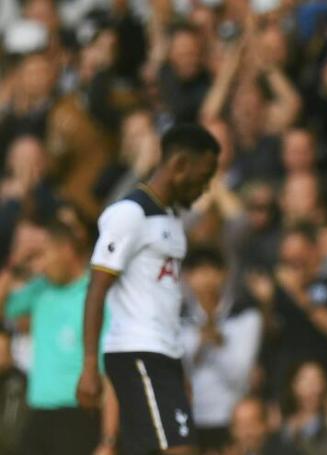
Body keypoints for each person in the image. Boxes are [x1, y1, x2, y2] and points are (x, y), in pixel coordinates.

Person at [76, 124, 220, 455]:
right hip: (138, 351)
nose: (206, 187)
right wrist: (89, 366)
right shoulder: (129, 214)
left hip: (163, 354)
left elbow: (163, 299)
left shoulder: (171, 220)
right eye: (204, 176)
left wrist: (179, 366)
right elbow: (96, 289)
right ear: (179, 164)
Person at [0, 221, 117, 455]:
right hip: (37, 414)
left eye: (43, 255)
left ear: (66, 250)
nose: (40, 266)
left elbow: (110, 373)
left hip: (78, 416)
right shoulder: (40, 290)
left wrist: (108, 440)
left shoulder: (95, 296)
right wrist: (15, 263)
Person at [179, 246, 262, 454]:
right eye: (198, 271)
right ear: (187, 277)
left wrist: (217, 341)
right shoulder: (178, 317)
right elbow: (180, 371)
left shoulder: (245, 315)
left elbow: (240, 375)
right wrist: (200, 342)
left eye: (212, 270)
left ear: (224, 274)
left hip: (231, 418)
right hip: (190, 418)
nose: (206, 279)